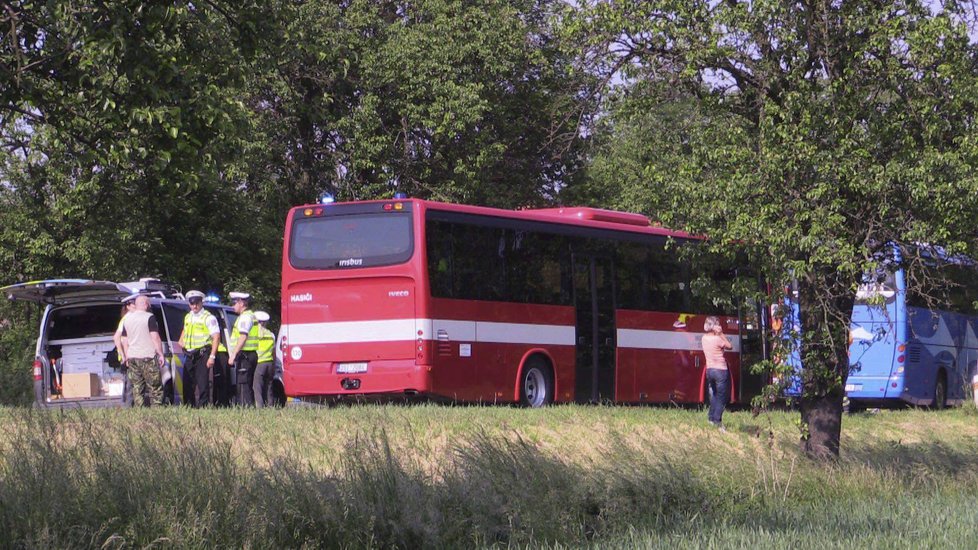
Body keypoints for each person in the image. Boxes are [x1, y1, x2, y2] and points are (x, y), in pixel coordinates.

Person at [114, 295, 165, 406]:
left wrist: (126, 355)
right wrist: (160, 353)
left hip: (133, 358)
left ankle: (139, 411)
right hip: (148, 356)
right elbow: (155, 337)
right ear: (146, 304)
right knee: (155, 387)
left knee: (137, 387)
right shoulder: (149, 317)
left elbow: (125, 340)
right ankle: (157, 411)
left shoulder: (127, 319)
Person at [178, 290, 220, 407]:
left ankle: (203, 408)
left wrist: (212, 356)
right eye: (192, 303)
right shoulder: (188, 316)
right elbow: (185, 329)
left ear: (202, 302)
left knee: (202, 384)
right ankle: (188, 407)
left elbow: (216, 337)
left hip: (202, 354)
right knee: (187, 384)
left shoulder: (208, 317)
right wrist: (181, 340)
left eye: (197, 303)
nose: (194, 306)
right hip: (190, 354)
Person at [227, 291, 260, 406]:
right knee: (246, 384)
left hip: (245, 355)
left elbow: (243, 336)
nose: (232, 306)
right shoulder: (249, 315)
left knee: (243, 385)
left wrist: (233, 354)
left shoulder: (245, 317)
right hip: (249, 355)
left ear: (241, 303)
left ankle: (246, 409)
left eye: (234, 303)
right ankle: (247, 408)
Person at [702, 316, 733, 431]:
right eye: (718, 325)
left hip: (709, 370)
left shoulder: (704, 338)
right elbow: (729, 346)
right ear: (714, 326)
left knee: (714, 394)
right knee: (722, 397)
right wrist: (721, 333)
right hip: (720, 370)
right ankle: (717, 420)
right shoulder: (717, 339)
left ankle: (710, 418)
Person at [253, 311, 276, 407]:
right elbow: (273, 352)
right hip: (270, 363)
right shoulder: (271, 335)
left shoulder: (255, 334)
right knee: (269, 387)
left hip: (259, 363)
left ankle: (260, 407)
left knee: (257, 387)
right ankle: (270, 406)